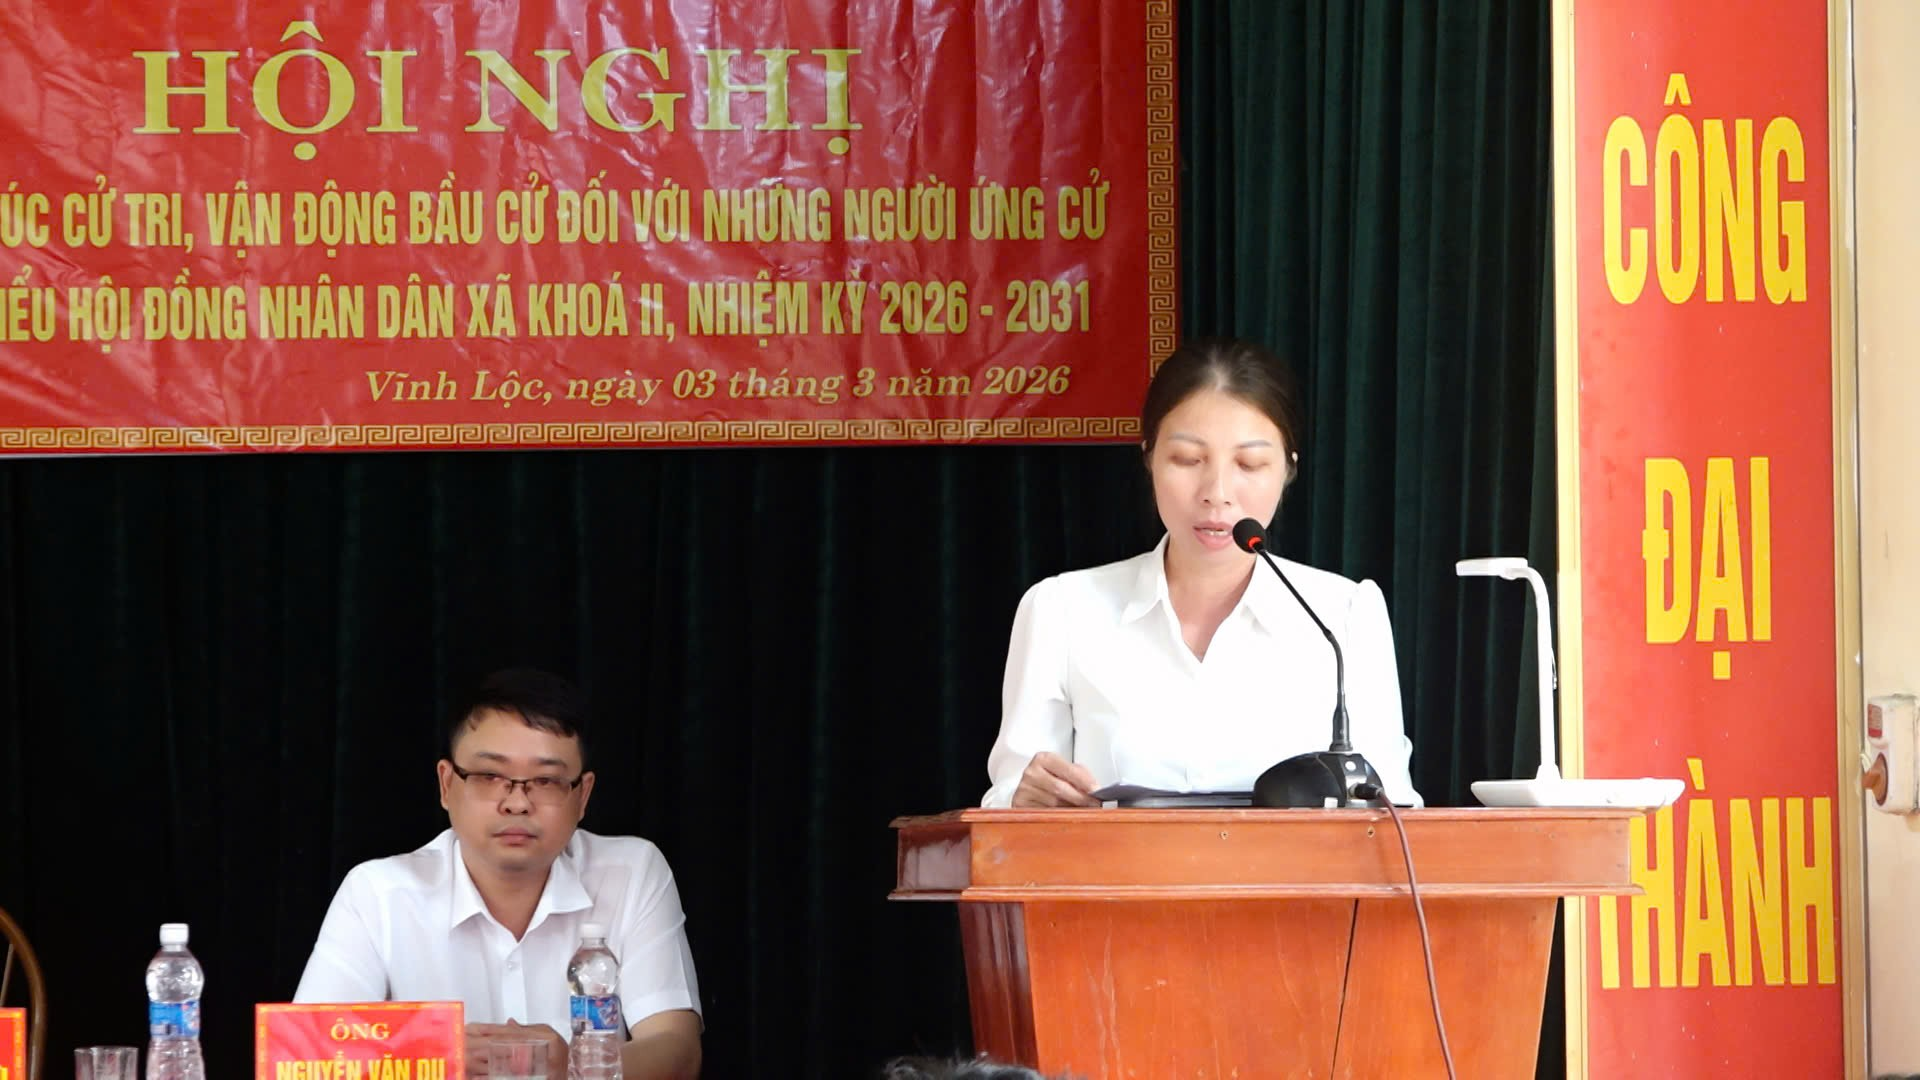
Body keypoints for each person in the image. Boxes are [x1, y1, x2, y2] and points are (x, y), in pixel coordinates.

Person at [982, 337, 1420, 808]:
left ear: (1288, 470)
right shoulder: (1062, 610)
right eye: (1188, 460)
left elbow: (1393, 810)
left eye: (1249, 463)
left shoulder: (1344, 615)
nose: (1217, 492)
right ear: (1149, 457)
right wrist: (1023, 802)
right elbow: (1010, 800)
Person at [294, 668, 702, 1079]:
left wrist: (575, 1068)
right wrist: (431, 1052)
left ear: (583, 796)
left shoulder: (631, 872)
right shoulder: (377, 893)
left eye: (546, 780)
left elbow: (678, 1049)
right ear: (446, 784)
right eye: (490, 777)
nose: (517, 803)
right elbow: (302, 1057)